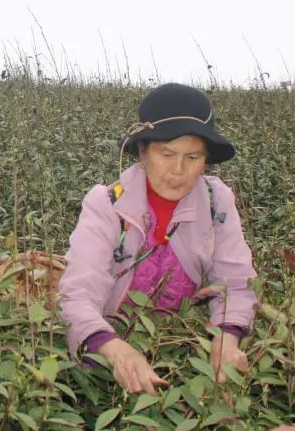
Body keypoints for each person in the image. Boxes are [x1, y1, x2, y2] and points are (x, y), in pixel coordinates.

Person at [58, 83, 257, 393]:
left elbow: (234, 285)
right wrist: (116, 350)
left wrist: (225, 341)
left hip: (180, 349)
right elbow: (78, 294)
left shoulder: (216, 200)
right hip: (104, 355)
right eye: (167, 154)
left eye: (192, 157)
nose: (178, 170)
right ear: (143, 152)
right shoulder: (107, 204)